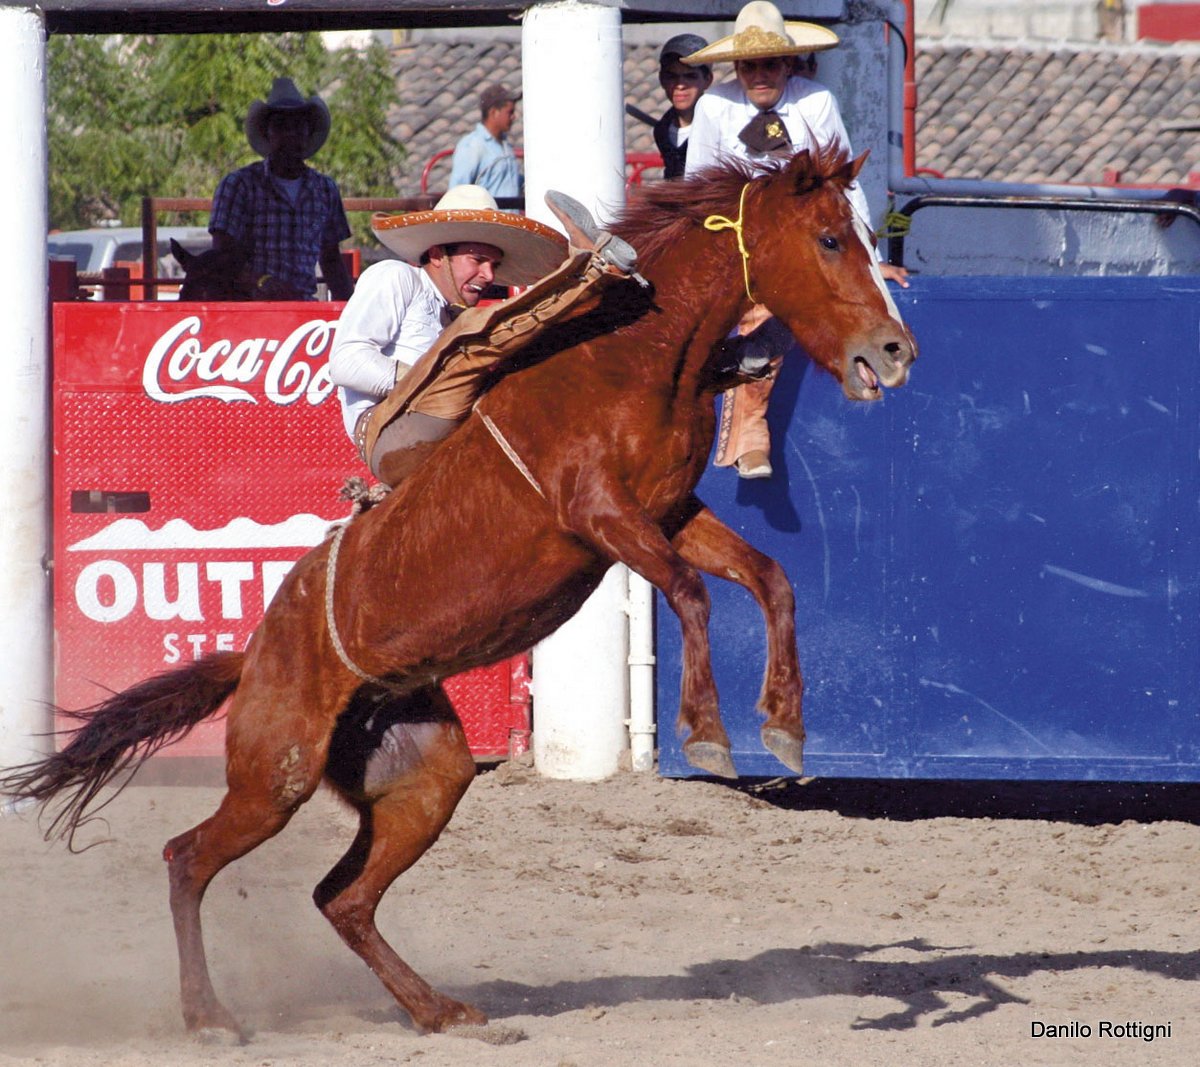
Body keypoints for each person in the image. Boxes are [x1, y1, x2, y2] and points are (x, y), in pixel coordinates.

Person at [683, 2, 908, 478]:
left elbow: (844, 187)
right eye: (749, 66)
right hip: (734, 242)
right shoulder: (714, 106)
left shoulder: (816, 102)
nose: (759, 75)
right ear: (736, 68)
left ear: (787, 64)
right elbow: (697, 187)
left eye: (769, 64)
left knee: (784, 302)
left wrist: (872, 257)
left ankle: (750, 434)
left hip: (796, 244)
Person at [329, 185, 638, 489]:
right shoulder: (396, 277)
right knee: (473, 341)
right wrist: (423, 379)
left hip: (435, 428)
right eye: (478, 260)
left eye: (494, 265)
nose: (489, 276)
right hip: (387, 431)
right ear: (437, 255)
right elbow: (344, 362)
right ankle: (591, 272)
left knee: (524, 368)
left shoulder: (456, 314)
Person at [209, 77, 354, 301]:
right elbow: (222, 258)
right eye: (281, 126)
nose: (290, 135)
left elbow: (332, 260)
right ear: (268, 133)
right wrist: (262, 281)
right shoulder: (239, 186)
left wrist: (350, 310)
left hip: (303, 309)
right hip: (247, 307)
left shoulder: (325, 190)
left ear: (308, 134)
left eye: (298, 127)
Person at [653, 34, 714, 180]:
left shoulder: (719, 125)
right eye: (672, 76)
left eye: (690, 76)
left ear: (707, 80)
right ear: (661, 79)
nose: (680, 85)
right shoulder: (662, 130)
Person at [448, 84, 523, 199]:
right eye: (510, 112)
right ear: (494, 112)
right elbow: (457, 193)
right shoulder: (473, 146)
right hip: (486, 216)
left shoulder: (505, 145)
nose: (514, 117)